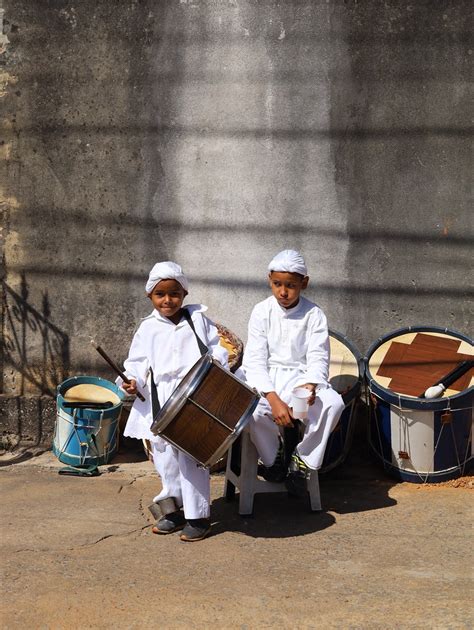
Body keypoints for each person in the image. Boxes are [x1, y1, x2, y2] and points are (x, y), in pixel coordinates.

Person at [118, 261, 228, 542]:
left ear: (184, 294)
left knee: (192, 457)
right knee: (165, 460)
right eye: (160, 294)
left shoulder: (199, 320)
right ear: (150, 297)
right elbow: (136, 364)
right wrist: (130, 382)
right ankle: (174, 510)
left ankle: (198, 516)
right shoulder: (147, 328)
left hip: (194, 397)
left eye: (174, 293)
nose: (168, 300)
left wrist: (213, 369)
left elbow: (218, 350)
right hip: (160, 400)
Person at [242, 249, 345, 497]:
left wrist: (310, 386)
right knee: (253, 412)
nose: (283, 292)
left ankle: (302, 461)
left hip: (300, 383)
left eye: (291, 285)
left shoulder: (314, 314)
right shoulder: (261, 311)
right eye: (277, 284)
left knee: (333, 404)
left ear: (304, 284)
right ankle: (273, 460)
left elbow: (319, 357)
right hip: (269, 383)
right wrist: (273, 399)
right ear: (269, 280)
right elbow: (255, 361)